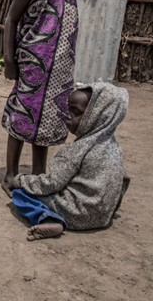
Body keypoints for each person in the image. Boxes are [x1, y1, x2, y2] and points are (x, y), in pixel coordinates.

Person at [1, 0, 89, 195]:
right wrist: (10, 59)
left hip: (59, 72)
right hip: (33, 67)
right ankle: (11, 174)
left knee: (48, 121)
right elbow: (11, 20)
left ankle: (39, 174)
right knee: (22, 118)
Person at [8, 82, 130, 241]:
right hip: (102, 217)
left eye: (75, 112)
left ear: (98, 115)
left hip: (75, 214)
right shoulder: (114, 149)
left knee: (21, 195)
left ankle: (49, 219)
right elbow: (124, 180)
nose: (67, 117)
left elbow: (52, 183)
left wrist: (20, 180)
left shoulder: (78, 149)